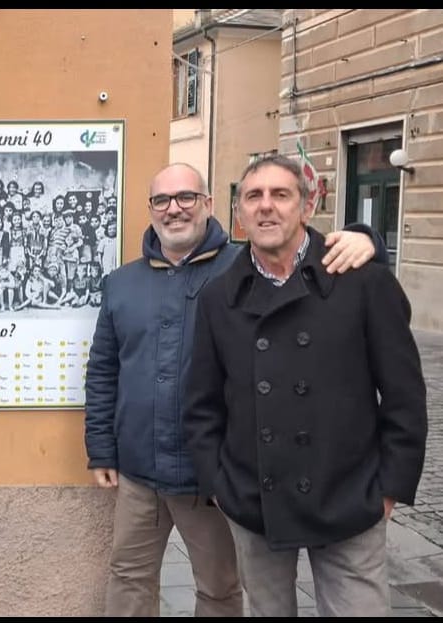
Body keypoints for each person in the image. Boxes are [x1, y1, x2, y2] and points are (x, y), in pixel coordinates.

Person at [84, 162, 385, 617]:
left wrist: (369, 240)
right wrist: (102, 447)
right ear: (150, 210)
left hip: (209, 474)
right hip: (137, 469)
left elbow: (304, 251)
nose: (175, 209)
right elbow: (104, 369)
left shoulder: (245, 268)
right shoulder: (122, 283)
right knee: (128, 577)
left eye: (187, 197)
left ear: (208, 204)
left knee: (220, 587)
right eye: (162, 200)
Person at [183, 154, 427, 617]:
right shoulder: (220, 295)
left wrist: (390, 485)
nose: (266, 207)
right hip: (255, 498)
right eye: (253, 196)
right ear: (238, 214)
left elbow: (404, 396)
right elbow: (202, 402)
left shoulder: (363, 282)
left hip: (349, 496)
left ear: (306, 206)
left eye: (281, 195)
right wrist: (219, 484)